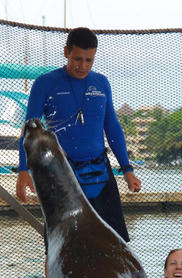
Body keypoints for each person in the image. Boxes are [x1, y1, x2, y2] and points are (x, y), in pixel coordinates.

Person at [17, 27, 140, 242]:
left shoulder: (101, 83)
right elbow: (30, 130)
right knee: (59, 244)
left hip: (99, 173)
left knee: (114, 242)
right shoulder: (45, 83)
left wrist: (127, 169)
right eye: (77, 59)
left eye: (89, 60)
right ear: (66, 52)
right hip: (62, 175)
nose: (82, 66)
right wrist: (23, 170)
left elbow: (112, 127)